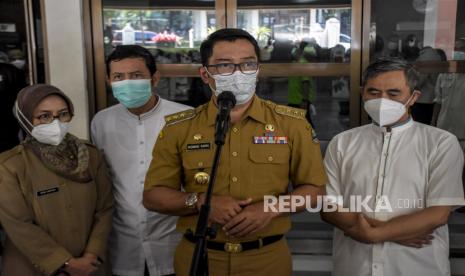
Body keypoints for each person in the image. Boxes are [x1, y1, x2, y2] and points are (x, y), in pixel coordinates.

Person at [143, 28, 327, 276]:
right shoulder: (180, 127)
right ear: (205, 74)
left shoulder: (292, 124)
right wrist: (200, 202)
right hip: (200, 258)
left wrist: (271, 208)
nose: (239, 73)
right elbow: (153, 196)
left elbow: (315, 191)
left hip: (267, 259)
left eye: (248, 64)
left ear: (258, 70)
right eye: (224, 66)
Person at [321, 58, 465, 276]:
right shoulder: (342, 143)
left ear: (414, 97)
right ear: (363, 93)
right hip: (354, 267)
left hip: (418, 266)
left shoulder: (440, 143)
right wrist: (391, 233)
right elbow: (329, 207)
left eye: (393, 93)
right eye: (374, 92)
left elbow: (438, 213)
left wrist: (370, 234)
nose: (382, 100)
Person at [91, 45, 190, 276]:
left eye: (136, 76)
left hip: (173, 240)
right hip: (123, 244)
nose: (127, 82)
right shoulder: (101, 122)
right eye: (118, 77)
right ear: (108, 81)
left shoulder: (184, 118)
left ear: (154, 78)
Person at [0, 84, 114, 276]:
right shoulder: (10, 166)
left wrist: (91, 255)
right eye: (44, 116)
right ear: (26, 120)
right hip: (33, 268)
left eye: (62, 114)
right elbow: (19, 225)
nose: (56, 123)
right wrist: (65, 263)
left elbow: (105, 208)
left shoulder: (91, 156)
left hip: (91, 267)